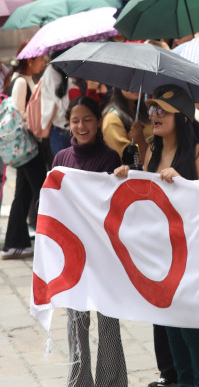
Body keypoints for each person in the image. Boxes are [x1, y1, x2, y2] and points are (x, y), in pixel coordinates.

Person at [114, 85, 199, 387]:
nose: (154, 115)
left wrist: (184, 182)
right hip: (162, 254)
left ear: (182, 117)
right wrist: (128, 173)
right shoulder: (153, 149)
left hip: (193, 255)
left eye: (162, 110)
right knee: (171, 327)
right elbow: (145, 196)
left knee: (192, 330)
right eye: (152, 110)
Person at [53, 96, 127, 387]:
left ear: (98, 122)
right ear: (68, 124)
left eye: (87, 119)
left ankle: (111, 382)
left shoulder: (110, 158)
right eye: (75, 120)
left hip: (103, 253)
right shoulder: (60, 160)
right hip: (72, 255)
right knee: (76, 323)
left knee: (108, 323)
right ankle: (79, 382)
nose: (81, 125)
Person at [1, 45, 48, 259]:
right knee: (41, 191)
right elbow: (17, 115)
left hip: (28, 146)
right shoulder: (21, 81)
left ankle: (14, 243)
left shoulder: (24, 78)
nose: (44, 61)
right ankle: (44, 237)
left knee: (23, 194)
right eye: (41, 58)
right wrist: (37, 124)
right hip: (27, 146)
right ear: (30, 60)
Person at [102, 88, 152, 166]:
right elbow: (123, 153)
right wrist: (143, 143)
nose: (135, 87)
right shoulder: (112, 118)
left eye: (138, 83)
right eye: (131, 83)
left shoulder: (144, 112)